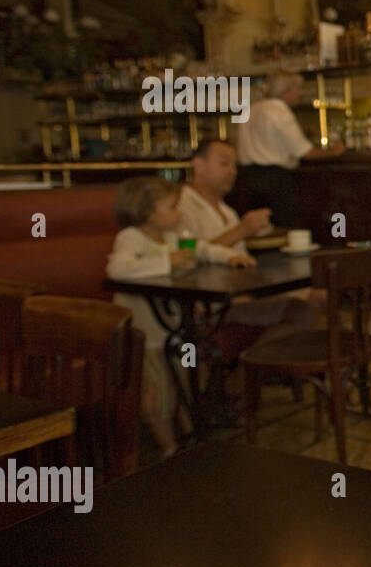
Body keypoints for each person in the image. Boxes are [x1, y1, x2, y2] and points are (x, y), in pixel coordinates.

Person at [107, 177, 251, 457]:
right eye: (172, 208)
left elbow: (202, 249)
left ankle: (191, 435)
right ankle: (169, 447)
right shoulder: (131, 238)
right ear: (147, 212)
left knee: (185, 379)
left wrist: (228, 257)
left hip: (176, 329)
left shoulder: (172, 237)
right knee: (158, 392)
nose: (179, 213)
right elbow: (117, 269)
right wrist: (167, 262)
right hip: (147, 334)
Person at [179, 137, 320, 343]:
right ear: (198, 166)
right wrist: (242, 230)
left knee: (319, 294)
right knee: (303, 309)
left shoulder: (226, 210)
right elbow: (188, 257)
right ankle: (254, 364)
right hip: (214, 305)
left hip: (243, 292)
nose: (232, 172)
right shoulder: (181, 206)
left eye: (234, 165)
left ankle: (265, 366)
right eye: (224, 163)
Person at [234, 70, 345, 227]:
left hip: (246, 180)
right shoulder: (279, 110)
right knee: (283, 228)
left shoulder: (251, 109)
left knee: (256, 229)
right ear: (286, 90)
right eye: (297, 88)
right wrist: (333, 152)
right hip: (274, 181)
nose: (299, 93)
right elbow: (304, 152)